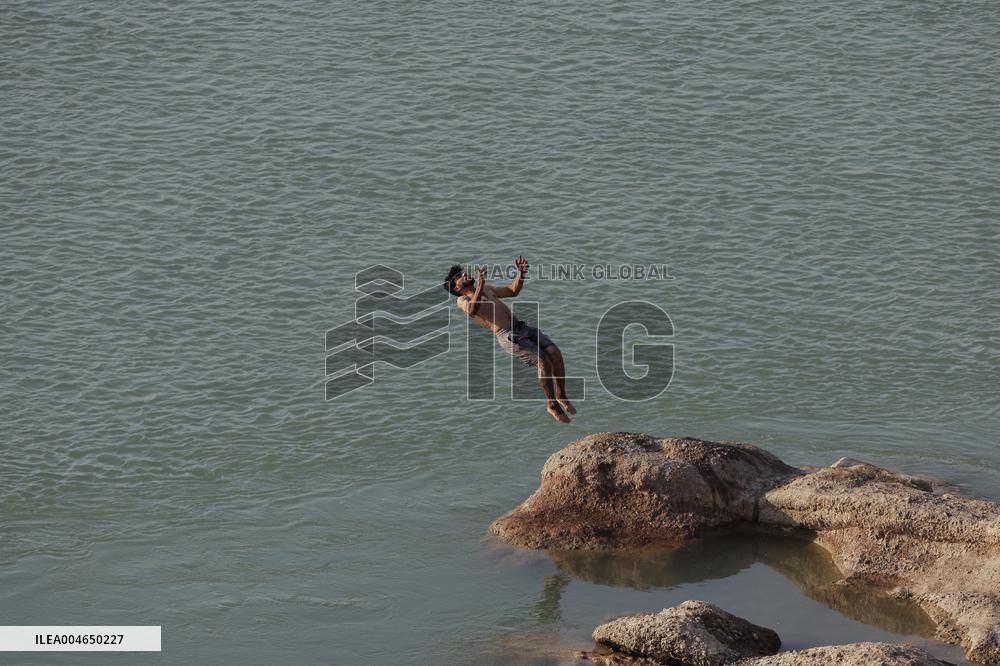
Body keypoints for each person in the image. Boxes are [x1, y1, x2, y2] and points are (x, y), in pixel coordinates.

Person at [444, 256, 576, 423]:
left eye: (464, 273)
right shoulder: (462, 300)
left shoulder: (488, 289)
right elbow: (471, 310)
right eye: (460, 277)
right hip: (507, 335)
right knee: (543, 361)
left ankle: (561, 396)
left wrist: (520, 273)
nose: (465, 275)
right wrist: (481, 286)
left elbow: (513, 290)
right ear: (456, 288)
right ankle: (551, 404)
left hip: (521, 327)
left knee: (554, 353)